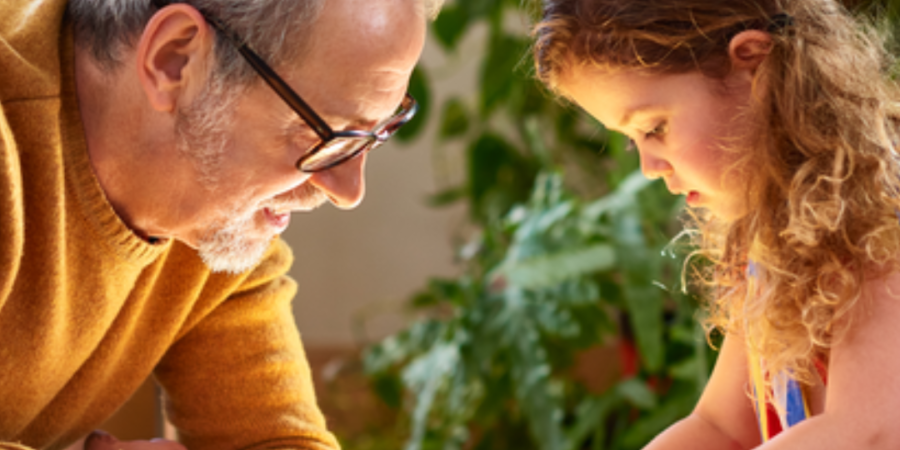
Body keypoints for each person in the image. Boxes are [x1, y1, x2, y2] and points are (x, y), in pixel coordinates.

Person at [0, 0, 439, 448]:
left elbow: (277, 440)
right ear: (174, 59)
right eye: (327, 135)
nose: (349, 192)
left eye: (379, 131)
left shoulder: (211, 216)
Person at [533, 0, 900, 448]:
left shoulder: (879, 228)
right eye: (632, 142)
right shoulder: (773, 248)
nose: (648, 166)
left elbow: (867, 433)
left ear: (753, 64)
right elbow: (721, 428)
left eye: (653, 128)